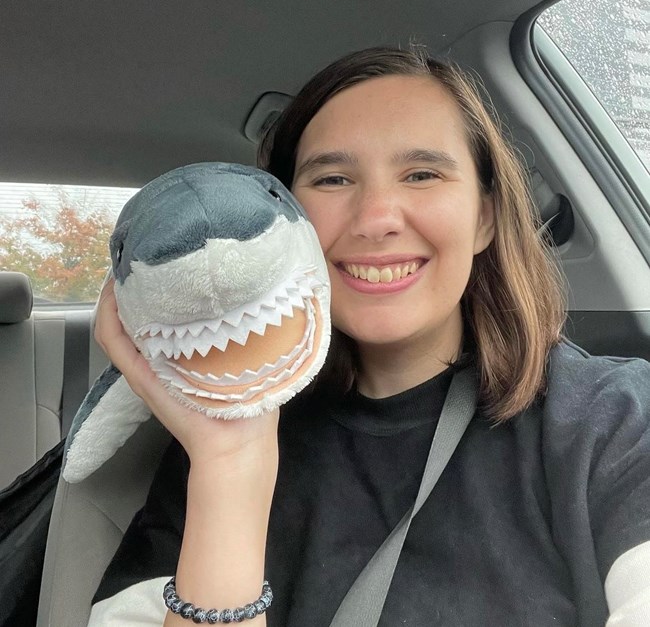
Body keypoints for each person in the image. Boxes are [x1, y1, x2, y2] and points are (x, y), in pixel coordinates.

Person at [89, 47, 650, 626]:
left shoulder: (614, 419)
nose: (376, 216)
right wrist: (230, 465)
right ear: (286, 224)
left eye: (422, 174)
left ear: (484, 217)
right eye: (332, 178)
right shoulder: (206, 444)